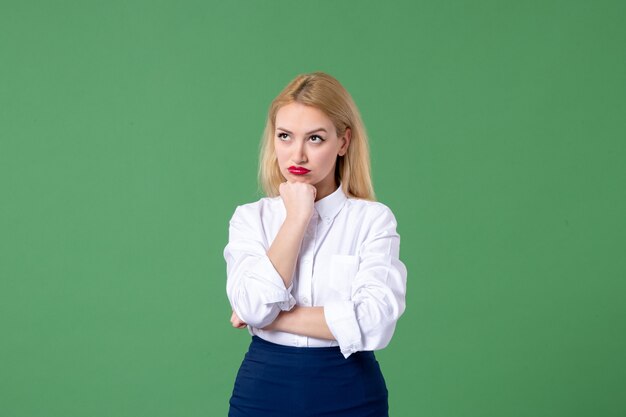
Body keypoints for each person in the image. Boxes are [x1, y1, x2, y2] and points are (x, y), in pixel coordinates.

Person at [223, 71, 407, 417]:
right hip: (264, 390)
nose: (298, 155)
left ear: (343, 142)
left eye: (316, 138)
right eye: (285, 136)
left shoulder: (372, 220)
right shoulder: (251, 219)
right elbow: (251, 307)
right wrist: (296, 219)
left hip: (350, 392)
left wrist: (271, 318)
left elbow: (376, 323)